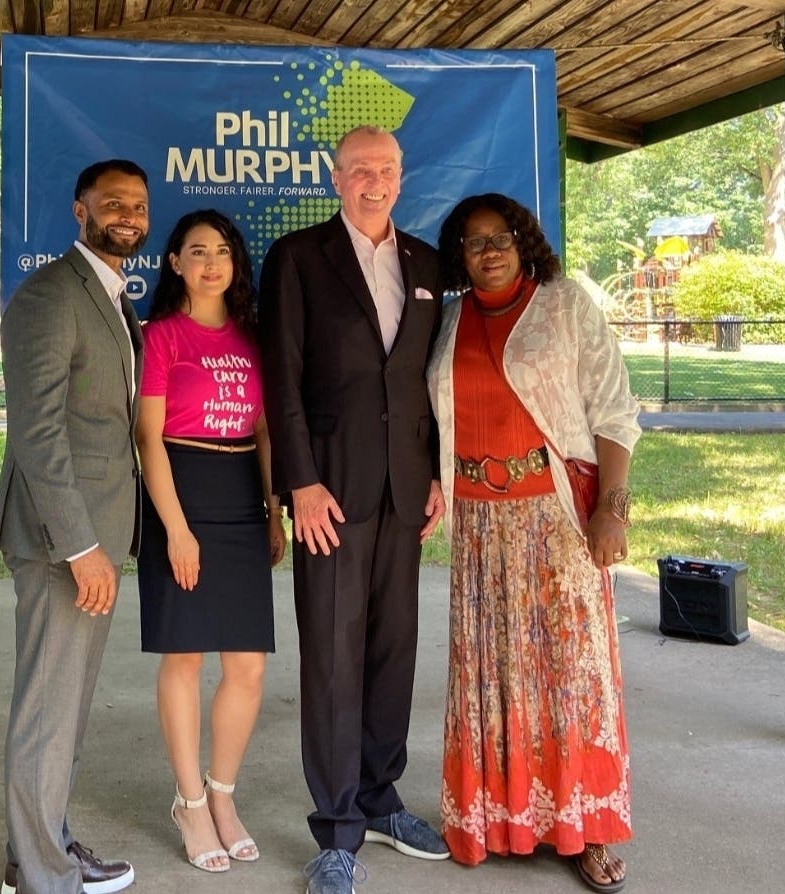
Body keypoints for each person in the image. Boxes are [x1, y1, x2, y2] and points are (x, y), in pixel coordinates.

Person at [426, 193, 640, 893]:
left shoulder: (565, 303)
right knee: (491, 676)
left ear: (525, 242)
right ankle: (501, 818)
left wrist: (613, 509)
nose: (486, 251)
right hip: (478, 527)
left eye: (500, 238)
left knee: (574, 677)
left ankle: (590, 828)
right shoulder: (450, 319)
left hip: (554, 514)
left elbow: (614, 408)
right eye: (472, 241)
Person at [258, 125, 449, 894]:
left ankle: (380, 796)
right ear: (335, 178)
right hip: (328, 490)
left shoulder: (427, 263)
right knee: (333, 658)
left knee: (392, 650)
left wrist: (435, 473)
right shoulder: (299, 257)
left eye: (388, 168)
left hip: (406, 489)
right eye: (361, 168)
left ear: (403, 177)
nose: (375, 179)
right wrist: (297, 482)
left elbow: (431, 383)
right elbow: (282, 375)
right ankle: (336, 830)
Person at [0, 159, 148, 894]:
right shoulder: (52, 295)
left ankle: (44, 847)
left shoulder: (113, 296)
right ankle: (42, 880)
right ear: (80, 210)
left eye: (138, 204)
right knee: (48, 714)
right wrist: (82, 547)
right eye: (112, 201)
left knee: (66, 712)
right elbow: (38, 432)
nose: (128, 213)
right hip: (65, 544)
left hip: (97, 538)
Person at [134, 209, 286, 873]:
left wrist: (274, 508)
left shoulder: (255, 337)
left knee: (248, 664)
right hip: (180, 487)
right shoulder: (161, 336)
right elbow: (147, 438)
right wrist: (175, 529)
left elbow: (263, 432)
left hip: (241, 499)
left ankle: (223, 796)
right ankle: (189, 801)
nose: (211, 262)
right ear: (175, 263)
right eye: (196, 251)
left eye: (222, 251)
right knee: (186, 658)